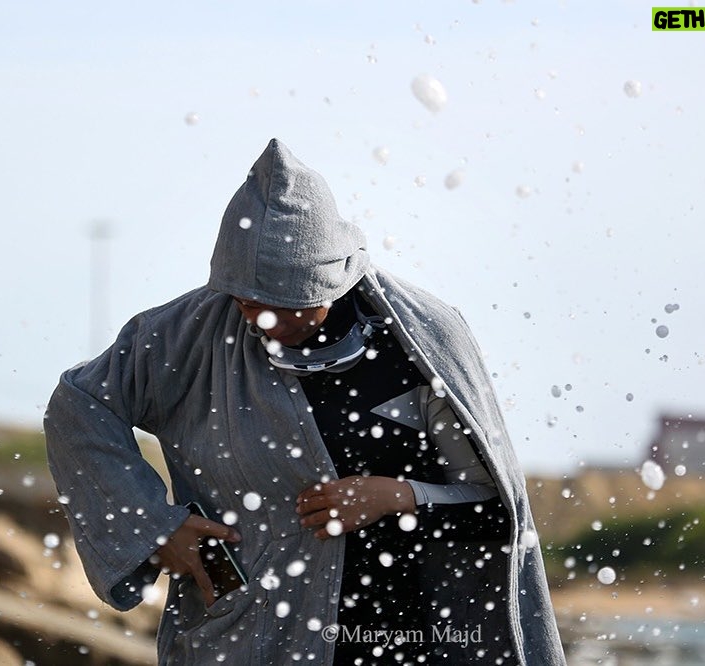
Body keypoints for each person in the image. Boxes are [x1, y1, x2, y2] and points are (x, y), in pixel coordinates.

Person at [44, 139, 566, 665]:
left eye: (282, 307)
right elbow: (78, 407)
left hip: (405, 641)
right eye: (247, 304)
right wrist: (156, 527)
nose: (260, 322)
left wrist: (398, 497)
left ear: (328, 285)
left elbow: (496, 514)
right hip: (242, 638)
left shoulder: (419, 342)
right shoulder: (189, 334)